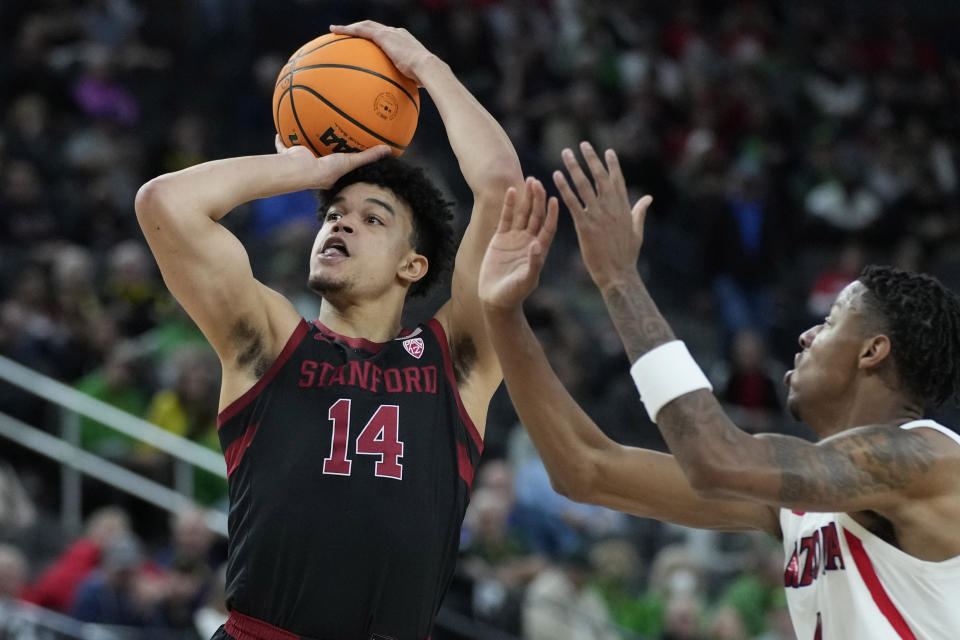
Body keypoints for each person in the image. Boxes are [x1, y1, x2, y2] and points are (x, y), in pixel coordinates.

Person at [477, 142, 960, 639]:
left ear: (872, 351)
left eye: (831, 322)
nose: (806, 335)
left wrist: (620, 279)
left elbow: (716, 458)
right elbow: (586, 469)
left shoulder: (926, 457)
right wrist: (503, 315)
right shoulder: (802, 499)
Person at [135, 20, 520, 640]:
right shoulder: (270, 343)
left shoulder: (456, 363)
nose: (340, 225)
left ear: (412, 264)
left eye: (372, 219)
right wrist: (305, 170)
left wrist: (425, 65)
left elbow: (502, 190)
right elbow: (163, 205)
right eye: (334, 214)